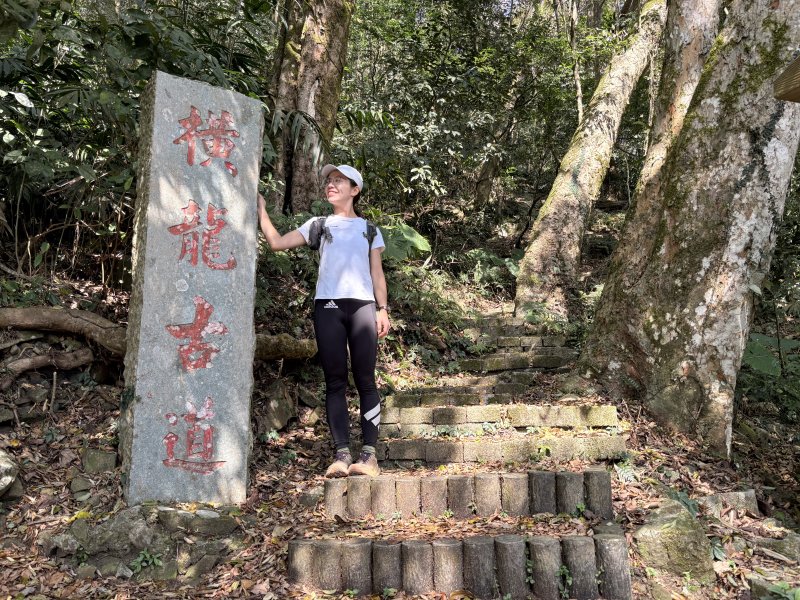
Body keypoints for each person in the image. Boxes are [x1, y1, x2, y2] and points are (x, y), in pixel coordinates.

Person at [256, 164, 390, 478]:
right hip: (327, 307)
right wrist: (261, 210)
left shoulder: (369, 229)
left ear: (355, 190)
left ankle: (369, 456)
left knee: (366, 380)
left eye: (339, 181)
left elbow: (377, 273)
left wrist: (383, 309)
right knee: (335, 382)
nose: (331, 184)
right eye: (329, 180)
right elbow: (277, 243)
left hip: (363, 307)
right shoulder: (318, 225)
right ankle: (342, 455)